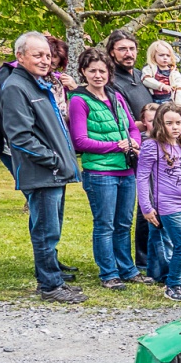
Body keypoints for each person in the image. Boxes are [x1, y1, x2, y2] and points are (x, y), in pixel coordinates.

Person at [1, 32, 85, 302]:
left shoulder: (39, 84)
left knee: (52, 229)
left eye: (48, 55)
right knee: (46, 231)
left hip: (54, 172)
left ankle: (53, 278)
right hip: (42, 173)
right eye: (38, 55)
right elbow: (20, 136)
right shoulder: (16, 87)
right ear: (20, 56)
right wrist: (54, 160)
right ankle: (50, 286)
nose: (45, 60)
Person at [68, 47, 151, 289]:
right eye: (92, 70)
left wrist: (134, 140)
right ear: (83, 72)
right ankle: (108, 273)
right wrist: (116, 145)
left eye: (102, 71)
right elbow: (80, 141)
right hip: (100, 172)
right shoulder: (79, 100)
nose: (97, 75)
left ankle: (127, 269)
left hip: (126, 170)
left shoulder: (116, 96)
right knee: (105, 224)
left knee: (124, 223)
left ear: (108, 72)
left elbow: (132, 126)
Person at [137, 103, 181, 301]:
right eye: (169, 123)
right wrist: (146, 206)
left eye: (178, 123)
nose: (175, 127)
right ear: (160, 124)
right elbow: (142, 178)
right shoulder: (152, 146)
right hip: (168, 206)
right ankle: (173, 284)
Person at [106, 30, 154, 270]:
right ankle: (140, 260)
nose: (129, 53)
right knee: (138, 205)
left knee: (153, 200)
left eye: (132, 48)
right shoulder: (111, 81)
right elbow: (119, 120)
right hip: (132, 149)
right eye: (122, 49)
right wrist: (144, 124)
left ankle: (149, 256)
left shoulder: (139, 76)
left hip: (151, 144)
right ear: (112, 53)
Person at [140, 40, 181, 106]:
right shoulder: (150, 68)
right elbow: (146, 80)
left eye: (168, 55)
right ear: (153, 56)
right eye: (161, 55)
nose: (165, 58)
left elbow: (180, 88)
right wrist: (162, 86)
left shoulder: (174, 73)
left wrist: (179, 104)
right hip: (152, 100)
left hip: (169, 101)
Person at [44, 35, 77, 121]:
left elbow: (65, 117)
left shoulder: (58, 82)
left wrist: (74, 91)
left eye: (52, 64)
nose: (46, 64)